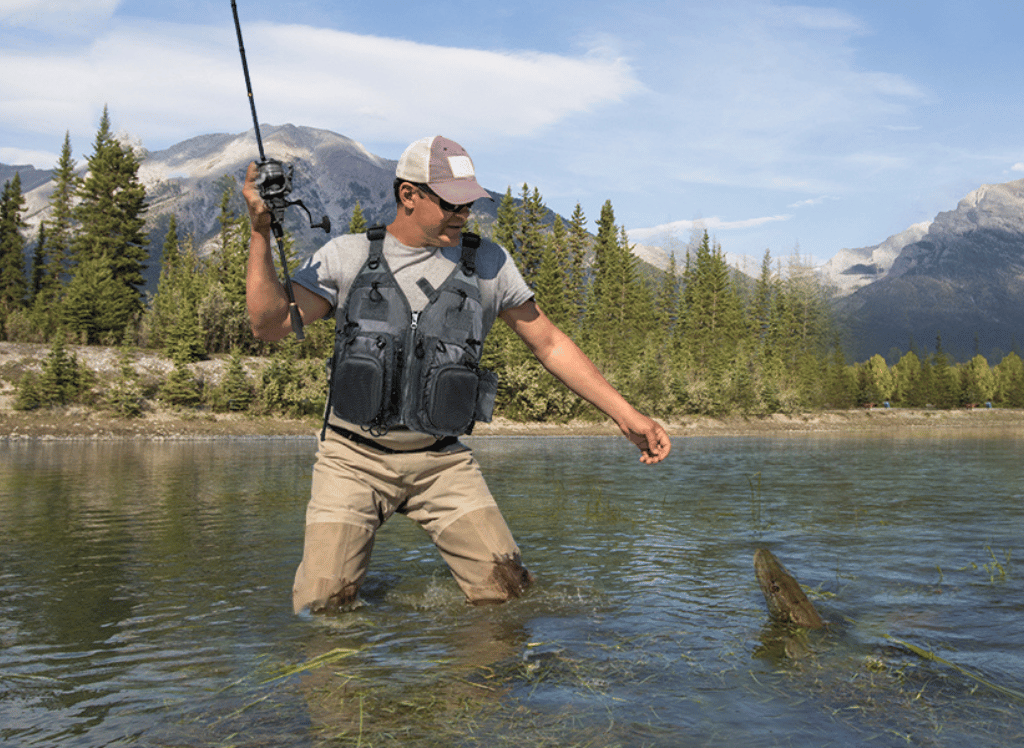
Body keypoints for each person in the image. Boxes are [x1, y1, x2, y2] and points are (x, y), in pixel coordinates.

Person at [244, 135, 671, 614]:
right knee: (321, 610)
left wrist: (626, 415)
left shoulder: (490, 263)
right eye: (451, 204)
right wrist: (261, 233)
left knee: (509, 600)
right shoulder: (346, 256)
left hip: (442, 464)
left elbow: (549, 343)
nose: (464, 215)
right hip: (352, 460)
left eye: (469, 204)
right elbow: (269, 325)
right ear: (409, 195)